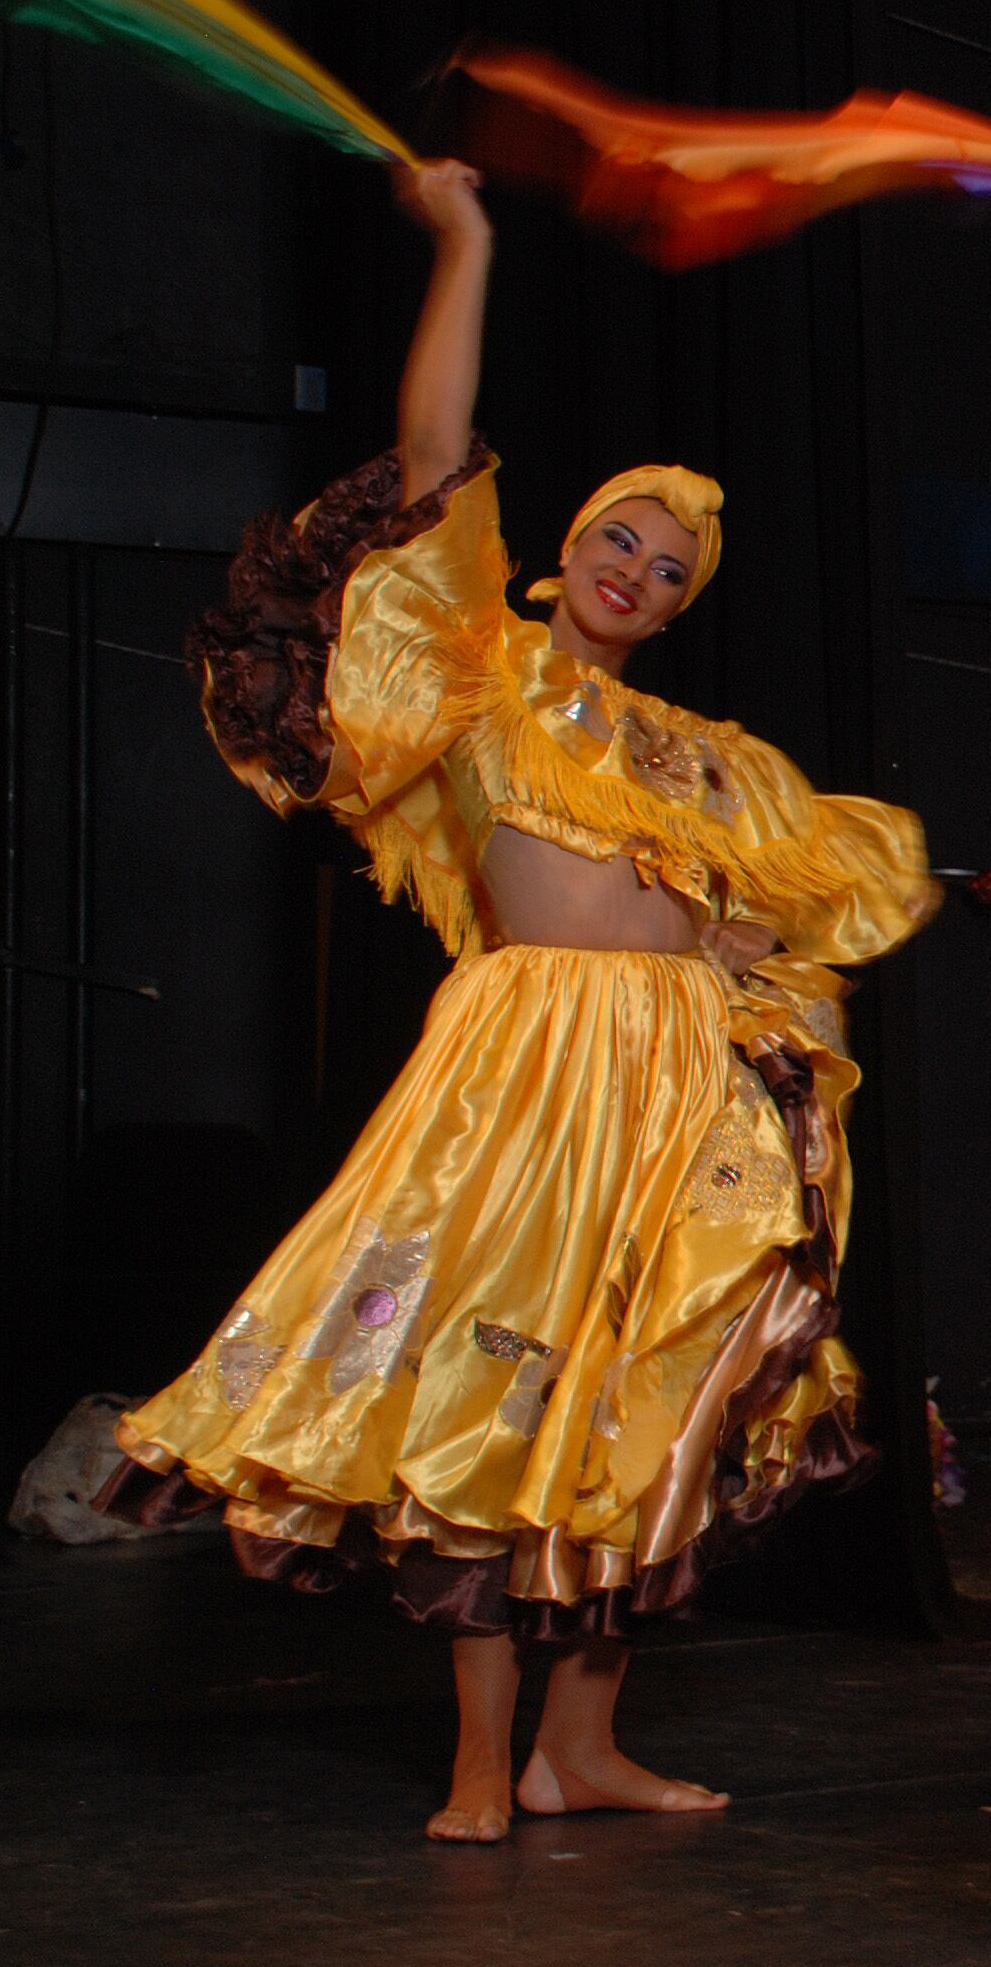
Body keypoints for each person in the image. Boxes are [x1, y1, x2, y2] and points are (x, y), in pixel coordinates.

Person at [104, 159, 936, 1843]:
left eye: (672, 564)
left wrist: (735, 985)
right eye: (622, 537)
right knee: (503, 1385)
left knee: (650, 1398)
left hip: (676, 1081)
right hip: (526, 1062)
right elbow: (428, 457)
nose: (640, 569)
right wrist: (466, 244)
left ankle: (585, 1743)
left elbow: (785, 911)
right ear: (569, 543)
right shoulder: (483, 673)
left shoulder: (711, 759)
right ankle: (486, 1764)